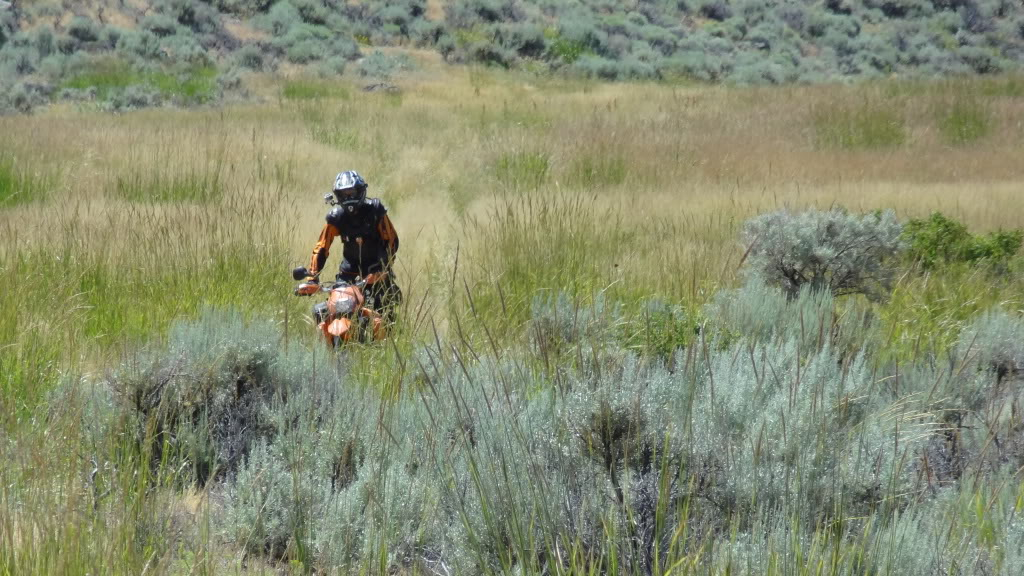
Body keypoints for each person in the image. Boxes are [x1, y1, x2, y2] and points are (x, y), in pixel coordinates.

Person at [303, 170, 401, 321]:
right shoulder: (336, 217)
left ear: (361, 191)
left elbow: (392, 241)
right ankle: (325, 344)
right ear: (337, 195)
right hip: (348, 275)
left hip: (376, 274)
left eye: (352, 192)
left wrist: (383, 268)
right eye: (343, 194)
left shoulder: (375, 211)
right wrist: (312, 277)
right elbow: (322, 247)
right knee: (325, 313)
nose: (348, 197)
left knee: (383, 310)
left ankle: (386, 341)